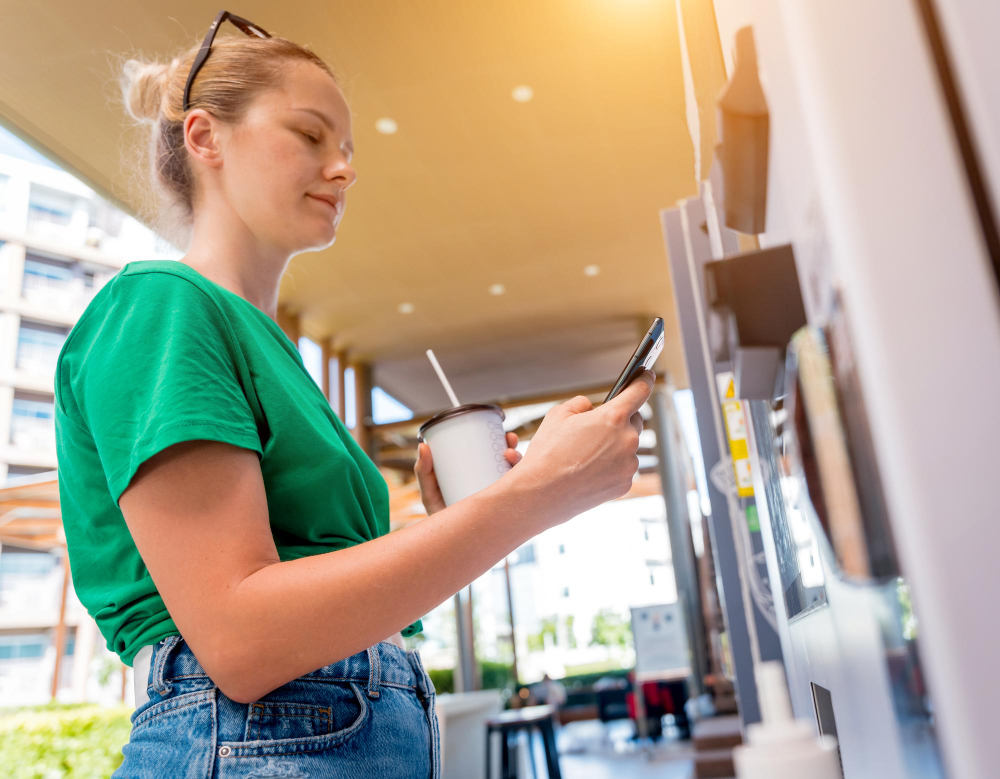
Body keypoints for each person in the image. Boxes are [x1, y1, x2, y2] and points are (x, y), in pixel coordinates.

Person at [53, 12, 653, 778]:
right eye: (310, 135)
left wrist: (464, 520)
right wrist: (534, 495)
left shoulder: (269, 349)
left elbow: (320, 616)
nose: (343, 169)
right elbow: (241, 638)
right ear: (205, 138)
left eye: (347, 151)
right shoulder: (162, 306)